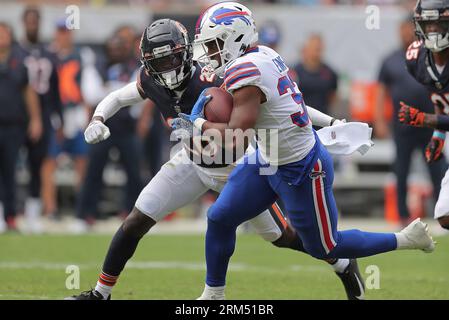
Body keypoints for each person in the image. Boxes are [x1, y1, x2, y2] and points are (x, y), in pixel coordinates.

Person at [66, 19, 364, 300]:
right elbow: (119, 97)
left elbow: (290, 104)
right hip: (191, 162)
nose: (167, 69)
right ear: (147, 64)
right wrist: (98, 118)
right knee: (136, 220)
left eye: (171, 59)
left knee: (281, 236)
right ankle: (100, 293)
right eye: (158, 63)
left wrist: (329, 122)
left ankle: (341, 262)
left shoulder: (218, 77)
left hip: (238, 167)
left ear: (185, 54)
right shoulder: (151, 81)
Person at [188, 2, 435, 300]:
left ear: (235, 37)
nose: (210, 53)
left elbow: (237, 139)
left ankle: (405, 239)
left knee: (326, 246)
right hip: (267, 159)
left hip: (301, 168)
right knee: (220, 217)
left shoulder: (246, 70)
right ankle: (213, 295)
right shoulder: (265, 54)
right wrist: (330, 121)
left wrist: (198, 123)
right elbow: (293, 104)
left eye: (214, 44)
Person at [375, 16, 447, 226]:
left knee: (437, 167)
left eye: (408, 28)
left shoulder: (430, 56)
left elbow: (438, 90)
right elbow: (381, 91)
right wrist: (380, 119)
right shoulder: (391, 59)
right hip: (403, 125)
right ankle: (402, 215)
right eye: (401, 29)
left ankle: (441, 211)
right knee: (401, 170)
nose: (404, 32)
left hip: (430, 123)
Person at [74, 35, 143, 232]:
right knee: (93, 171)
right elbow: (92, 94)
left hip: (126, 126)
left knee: (134, 172)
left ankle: (136, 215)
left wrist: (109, 90)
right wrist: (116, 91)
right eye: (113, 47)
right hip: (102, 126)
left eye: (120, 47)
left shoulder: (135, 67)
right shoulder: (95, 67)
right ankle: (85, 214)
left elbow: (135, 94)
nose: (117, 51)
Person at [398, 0, 449, 231]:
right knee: (445, 216)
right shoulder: (416, 59)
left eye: (438, 23)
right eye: (428, 24)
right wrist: (438, 135)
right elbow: (440, 98)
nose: (432, 30)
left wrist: (425, 120)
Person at [20, 6, 63, 233]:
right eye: (29, 22)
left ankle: (32, 214)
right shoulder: (15, 51)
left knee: (37, 165)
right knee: (6, 165)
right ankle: (6, 213)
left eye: (35, 22)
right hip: (16, 116)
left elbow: (55, 90)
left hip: (43, 116)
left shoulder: (48, 54)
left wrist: (59, 119)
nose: (32, 26)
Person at [42, 19, 89, 217]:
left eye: (67, 32)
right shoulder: (48, 57)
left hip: (75, 112)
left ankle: (82, 206)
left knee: (82, 159)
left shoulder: (80, 56)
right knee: (49, 160)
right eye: (61, 32)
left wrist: (87, 113)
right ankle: (50, 207)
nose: (64, 35)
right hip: (55, 112)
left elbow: (86, 86)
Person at [0, 22, 42, 232]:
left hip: (13, 124)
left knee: (10, 170)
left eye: (4, 33)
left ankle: (10, 216)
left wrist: (35, 119)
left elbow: (29, 92)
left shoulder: (19, 61)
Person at [290, 33, 338, 117]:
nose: (316, 50)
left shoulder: (329, 73)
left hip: (322, 118)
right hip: (301, 119)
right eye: (314, 47)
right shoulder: (295, 71)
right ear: (306, 48)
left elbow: (332, 95)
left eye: (318, 48)